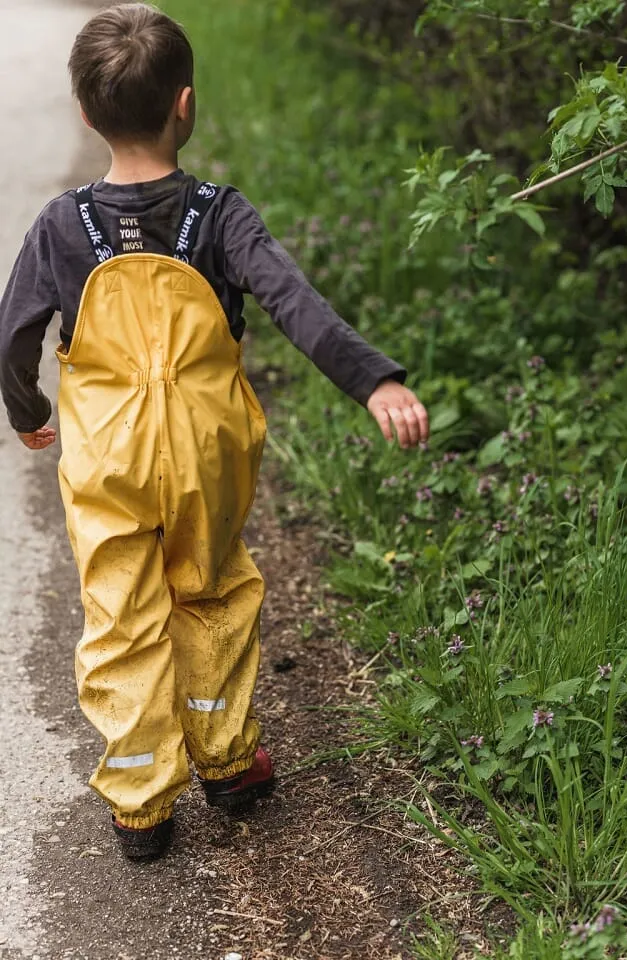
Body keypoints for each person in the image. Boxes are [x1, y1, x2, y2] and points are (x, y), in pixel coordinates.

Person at [0, 2, 429, 861]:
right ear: (186, 106)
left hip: (108, 459)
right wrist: (372, 378)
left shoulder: (60, 226)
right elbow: (294, 303)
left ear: (85, 113)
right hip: (207, 454)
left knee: (120, 615)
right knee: (213, 592)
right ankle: (228, 763)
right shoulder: (220, 216)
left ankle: (141, 801)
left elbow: (13, 333)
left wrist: (31, 411)